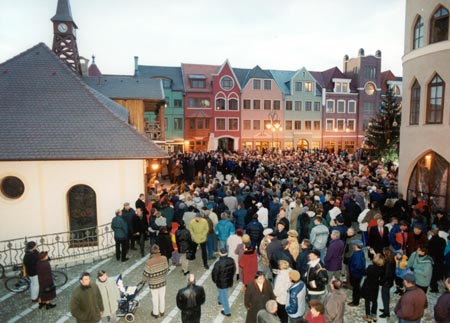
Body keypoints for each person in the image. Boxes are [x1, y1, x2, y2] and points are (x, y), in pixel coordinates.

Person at [143, 244, 169, 318]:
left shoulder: (149, 262)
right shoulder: (164, 258)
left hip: (153, 283)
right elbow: (166, 269)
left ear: (151, 252)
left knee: (155, 298)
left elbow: (146, 274)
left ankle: (155, 313)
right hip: (162, 282)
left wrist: (144, 280)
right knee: (162, 297)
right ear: (159, 250)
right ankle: (162, 311)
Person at [212, 248, 236, 317]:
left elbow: (214, 274)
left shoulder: (218, 264)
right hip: (228, 280)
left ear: (220, 253)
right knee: (223, 292)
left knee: (224, 295)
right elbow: (234, 270)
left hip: (221, 282)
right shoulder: (231, 260)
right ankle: (220, 300)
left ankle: (227, 311)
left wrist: (215, 280)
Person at [361, 252, 385, 322]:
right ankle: (374, 315)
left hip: (368, 285)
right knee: (374, 301)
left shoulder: (370, 267)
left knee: (367, 301)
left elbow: (364, 273)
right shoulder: (381, 269)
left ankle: (368, 316)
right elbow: (382, 280)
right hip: (375, 286)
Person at [348, 239, 365, 307]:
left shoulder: (356, 255)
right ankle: (360, 295)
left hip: (356, 274)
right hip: (359, 274)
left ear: (355, 246)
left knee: (355, 288)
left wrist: (352, 271)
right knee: (357, 286)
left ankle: (355, 302)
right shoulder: (361, 252)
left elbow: (357, 265)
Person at [379, 248, 395, 318]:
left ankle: (386, 312)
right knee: (386, 296)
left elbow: (386, 274)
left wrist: (381, 281)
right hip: (389, 281)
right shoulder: (391, 260)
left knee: (385, 296)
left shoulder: (388, 262)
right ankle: (386, 309)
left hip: (386, 282)